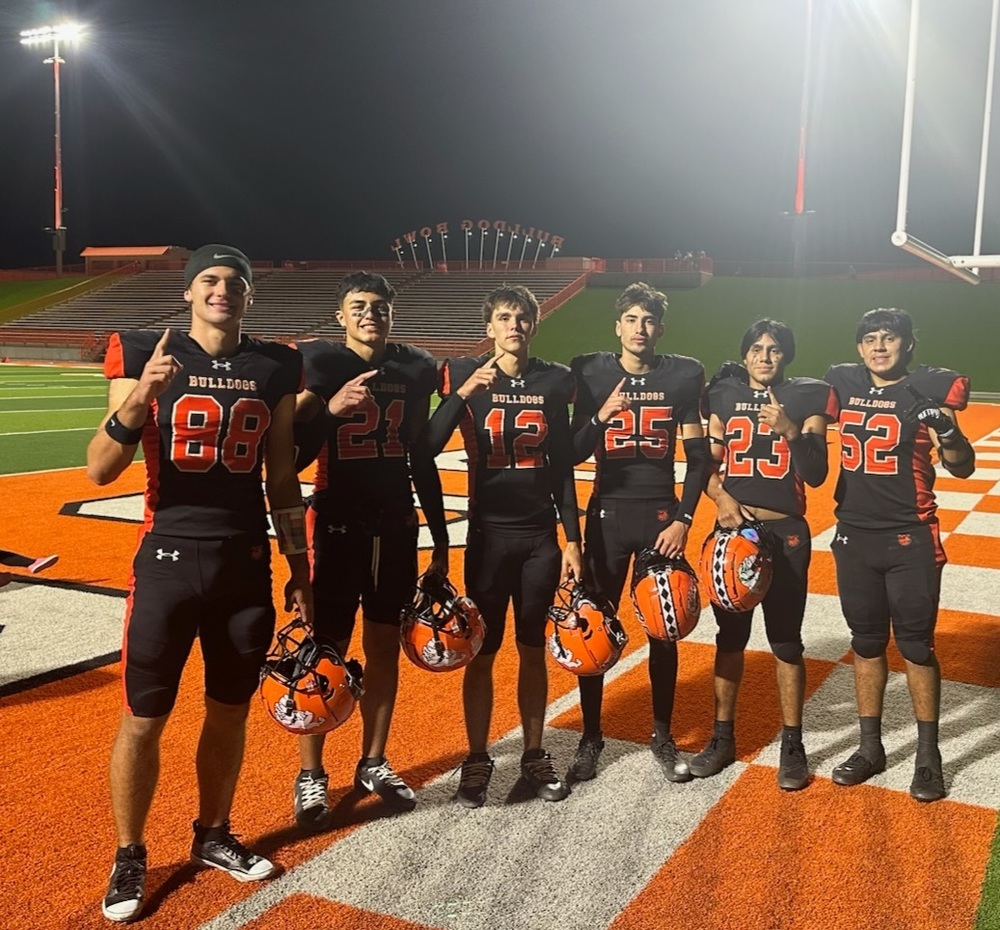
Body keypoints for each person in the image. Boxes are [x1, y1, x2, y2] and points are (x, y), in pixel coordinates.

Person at [87, 245, 312, 922]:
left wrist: (300, 565)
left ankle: (213, 833)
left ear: (249, 296)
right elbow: (99, 469)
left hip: (244, 563)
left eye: (235, 282)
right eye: (210, 280)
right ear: (189, 292)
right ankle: (131, 853)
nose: (223, 290)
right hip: (166, 559)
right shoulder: (144, 350)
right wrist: (144, 394)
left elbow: (279, 476)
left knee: (229, 711)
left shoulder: (274, 365)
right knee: (144, 717)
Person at [290, 271, 448, 828]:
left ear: (391, 314)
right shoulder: (323, 363)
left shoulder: (414, 367)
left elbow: (422, 457)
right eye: (358, 305)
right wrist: (329, 409)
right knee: (324, 650)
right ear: (340, 315)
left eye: (379, 306)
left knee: (382, 647)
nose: (370, 314)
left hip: (395, 523)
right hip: (334, 521)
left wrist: (440, 537)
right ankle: (311, 772)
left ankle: (374, 760)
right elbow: (289, 454)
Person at [418, 283, 582, 808]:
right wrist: (462, 392)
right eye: (504, 317)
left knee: (532, 650)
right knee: (482, 653)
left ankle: (534, 753)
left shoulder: (554, 381)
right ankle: (477, 756)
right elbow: (426, 447)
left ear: (535, 324)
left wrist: (572, 538)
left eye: (522, 317)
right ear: (489, 327)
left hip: (539, 538)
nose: (514, 325)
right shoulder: (469, 375)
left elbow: (561, 469)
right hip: (488, 538)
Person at [825, 307, 974, 802]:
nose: (879, 347)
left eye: (889, 338)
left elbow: (962, 468)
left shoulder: (928, 389)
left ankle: (928, 756)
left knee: (915, 645)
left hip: (910, 534)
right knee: (865, 642)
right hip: (853, 535)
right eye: (870, 339)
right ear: (858, 347)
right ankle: (872, 747)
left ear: (909, 344)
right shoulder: (842, 383)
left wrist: (947, 432)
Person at [567, 282, 710, 783]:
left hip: (658, 518)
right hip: (605, 515)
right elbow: (574, 452)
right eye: (631, 319)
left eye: (648, 320)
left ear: (660, 328)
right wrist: (598, 417)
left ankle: (662, 734)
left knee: (663, 629)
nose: (639, 329)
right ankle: (591, 736)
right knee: (593, 629)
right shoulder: (591, 371)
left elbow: (698, 459)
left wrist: (684, 518)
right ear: (617, 326)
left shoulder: (683, 375)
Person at [695, 320, 837, 790]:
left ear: (786, 356)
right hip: (734, 529)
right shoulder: (723, 396)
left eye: (775, 349)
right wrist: (720, 498)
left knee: (786, 641)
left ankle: (792, 743)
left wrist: (790, 429)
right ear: (745, 353)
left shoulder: (807, 396)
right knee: (729, 637)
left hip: (787, 533)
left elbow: (816, 474)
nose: (765, 356)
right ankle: (721, 737)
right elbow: (705, 467)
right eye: (756, 348)